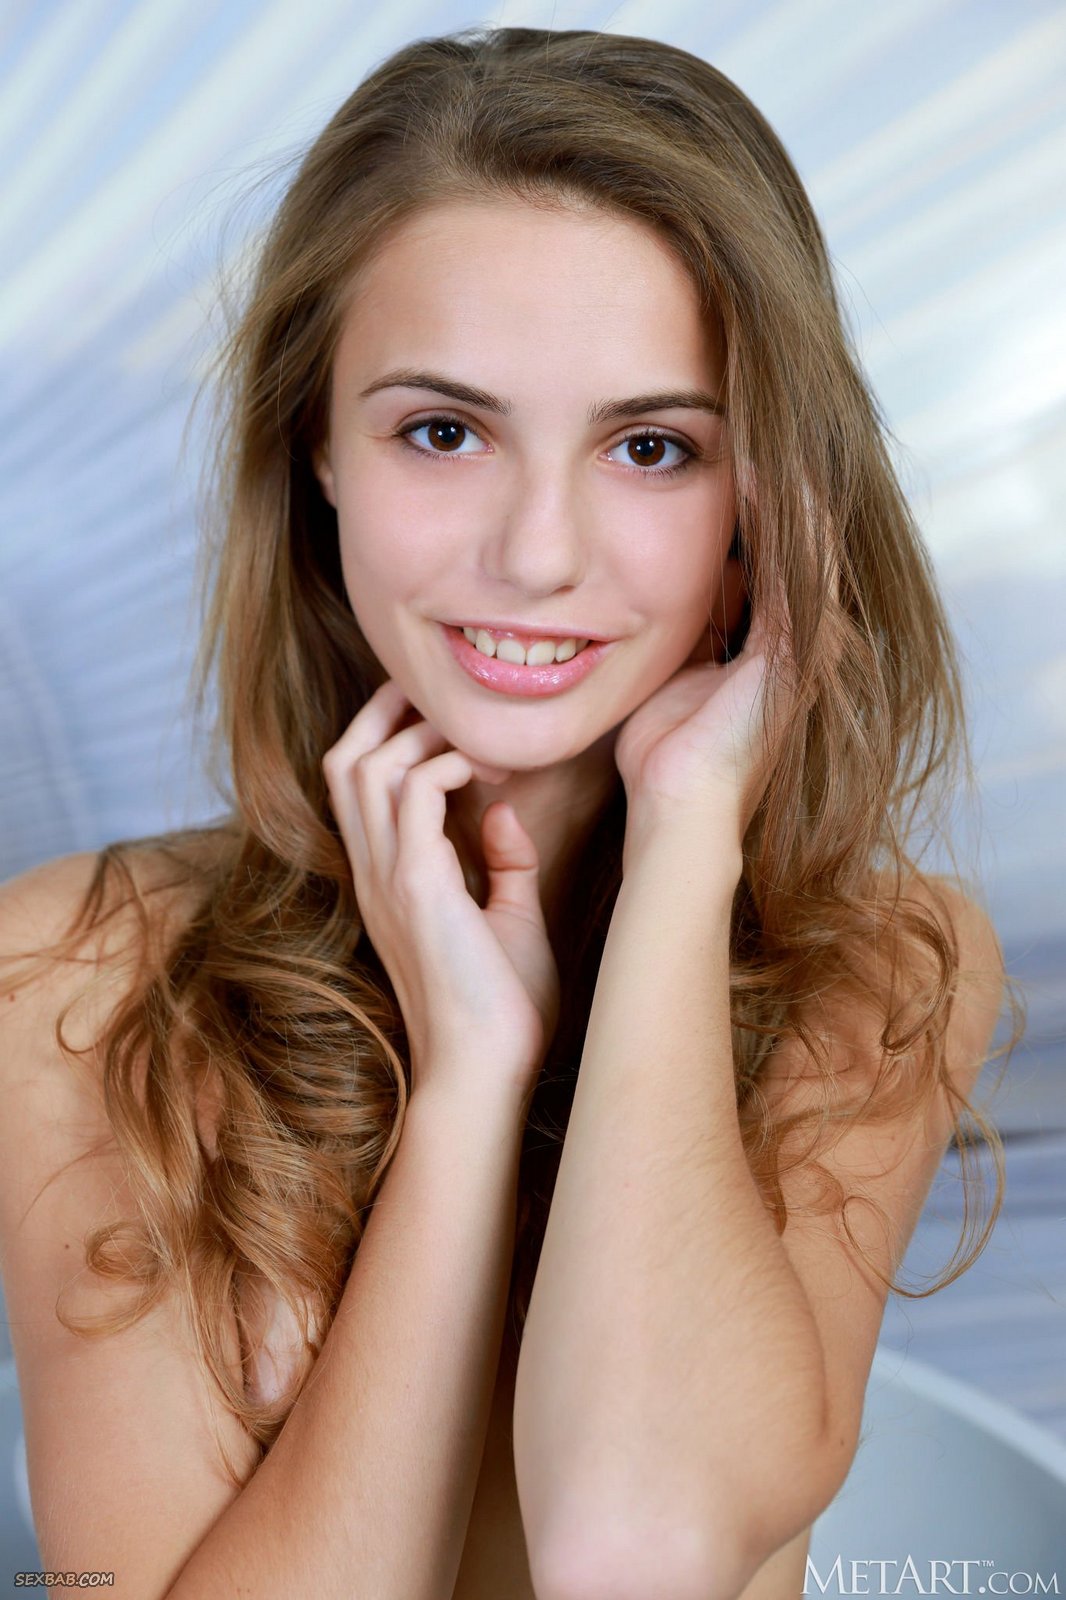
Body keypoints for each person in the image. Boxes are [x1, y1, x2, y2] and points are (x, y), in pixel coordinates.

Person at [0, 25, 1018, 1600]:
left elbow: (639, 1551)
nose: (539, 553)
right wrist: (466, 1085)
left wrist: (686, 835)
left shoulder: (880, 968)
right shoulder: (73, 971)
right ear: (315, 449)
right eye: (443, 431)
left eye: (653, 448)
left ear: (769, 509)